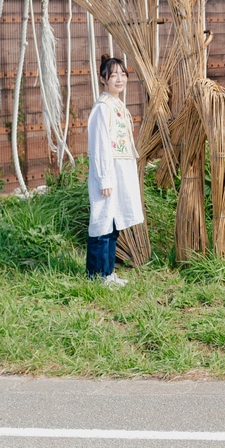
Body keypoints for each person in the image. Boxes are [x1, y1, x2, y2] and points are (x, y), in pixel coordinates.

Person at [85, 56, 145, 287]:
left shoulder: (117, 104)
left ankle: (108, 274)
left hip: (120, 172)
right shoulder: (102, 108)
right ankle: (96, 276)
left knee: (113, 223)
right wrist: (104, 178)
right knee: (102, 222)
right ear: (103, 79)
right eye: (113, 75)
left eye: (122, 74)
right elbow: (99, 145)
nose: (119, 79)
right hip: (108, 174)